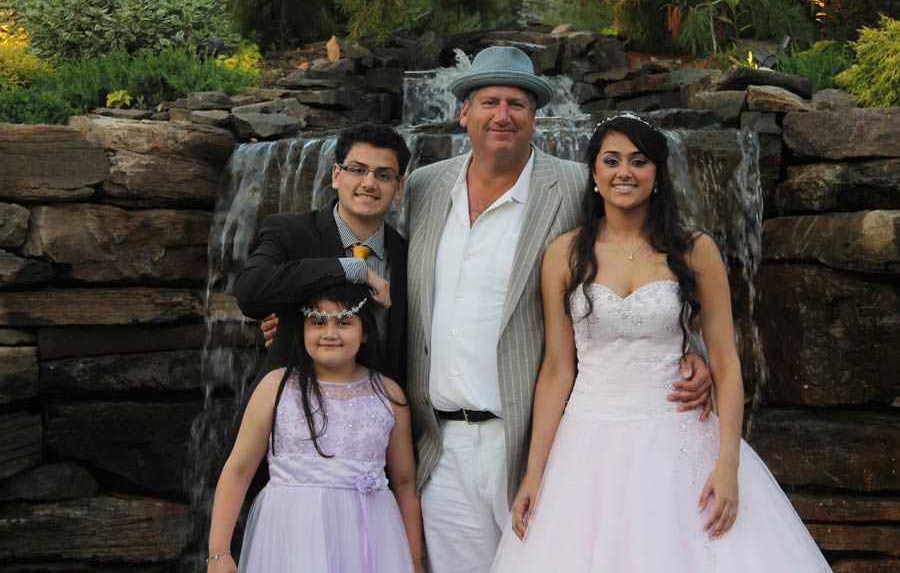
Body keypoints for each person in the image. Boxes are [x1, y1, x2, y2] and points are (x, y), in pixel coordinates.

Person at [400, 47, 713, 573]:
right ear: (464, 113)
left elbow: (655, 257)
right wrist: (296, 314)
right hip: (441, 446)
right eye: (490, 102)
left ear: (535, 115)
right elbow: (369, 251)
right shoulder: (423, 187)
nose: (503, 115)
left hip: (537, 439)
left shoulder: (576, 183)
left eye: (517, 103)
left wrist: (689, 349)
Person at [489, 113, 831, 572]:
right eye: (611, 161)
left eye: (638, 160)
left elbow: (726, 362)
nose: (624, 172)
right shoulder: (565, 254)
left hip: (678, 435)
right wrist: (534, 474)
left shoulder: (695, 250)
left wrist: (728, 463)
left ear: (657, 175)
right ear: (593, 174)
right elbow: (556, 369)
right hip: (587, 439)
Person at [207, 283, 424, 572]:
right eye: (318, 323)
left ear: (365, 333)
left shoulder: (389, 395)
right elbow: (239, 469)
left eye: (344, 322)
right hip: (292, 533)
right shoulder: (276, 387)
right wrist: (218, 552)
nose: (330, 333)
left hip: (370, 534)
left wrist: (414, 560)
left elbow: (405, 482)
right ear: (302, 330)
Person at [234, 122, 411, 385]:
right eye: (358, 170)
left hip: (378, 414)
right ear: (336, 175)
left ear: (398, 188)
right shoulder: (289, 231)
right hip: (294, 408)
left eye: (383, 175)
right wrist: (352, 268)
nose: (369, 183)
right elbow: (249, 293)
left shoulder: (408, 255)